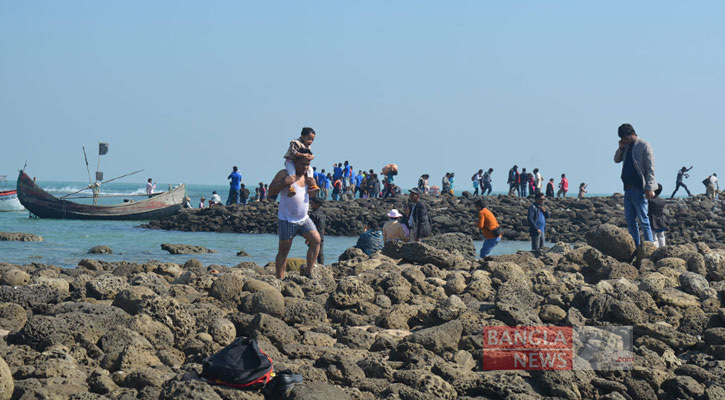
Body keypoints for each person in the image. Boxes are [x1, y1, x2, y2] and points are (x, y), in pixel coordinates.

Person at [268, 156, 321, 279]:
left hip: (304, 219)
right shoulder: (284, 174)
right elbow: (271, 191)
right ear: (294, 162)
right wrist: (284, 183)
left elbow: (312, 195)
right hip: (287, 219)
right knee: (284, 250)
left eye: (308, 164)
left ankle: (309, 271)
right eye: (303, 164)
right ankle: (280, 278)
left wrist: (313, 185)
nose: (306, 167)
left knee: (316, 240)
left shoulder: (308, 175)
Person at [614, 123, 656, 247]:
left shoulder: (644, 145)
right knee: (630, 220)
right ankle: (635, 247)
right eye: (623, 140)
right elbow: (616, 160)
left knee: (643, 220)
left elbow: (650, 169)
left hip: (639, 189)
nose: (625, 141)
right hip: (627, 189)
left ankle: (649, 247)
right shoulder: (626, 146)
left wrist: (649, 187)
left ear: (632, 134)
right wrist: (621, 148)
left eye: (626, 138)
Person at [283, 127, 319, 197]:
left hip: (302, 163)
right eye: (309, 139)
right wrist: (303, 155)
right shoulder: (295, 143)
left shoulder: (308, 146)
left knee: (310, 170)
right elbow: (293, 152)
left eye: (312, 140)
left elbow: (309, 154)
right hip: (290, 161)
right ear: (302, 136)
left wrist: (311, 156)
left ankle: (311, 184)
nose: (310, 141)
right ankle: (291, 187)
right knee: (292, 173)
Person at [648, 184, 668, 248]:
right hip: (661, 220)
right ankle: (663, 248)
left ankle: (656, 250)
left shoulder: (650, 201)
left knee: (654, 238)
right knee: (662, 236)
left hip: (652, 220)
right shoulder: (662, 200)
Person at [308, 197, 326, 264]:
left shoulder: (313, 214)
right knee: (320, 253)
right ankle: (321, 266)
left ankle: (312, 266)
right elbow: (323, 226)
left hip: (314, 235)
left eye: (312, 203)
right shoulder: (322, 214)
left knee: (312, 252)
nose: (311, 205)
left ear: (317, 204)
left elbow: (310, 227)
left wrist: (308, 238)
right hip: (321, 235)